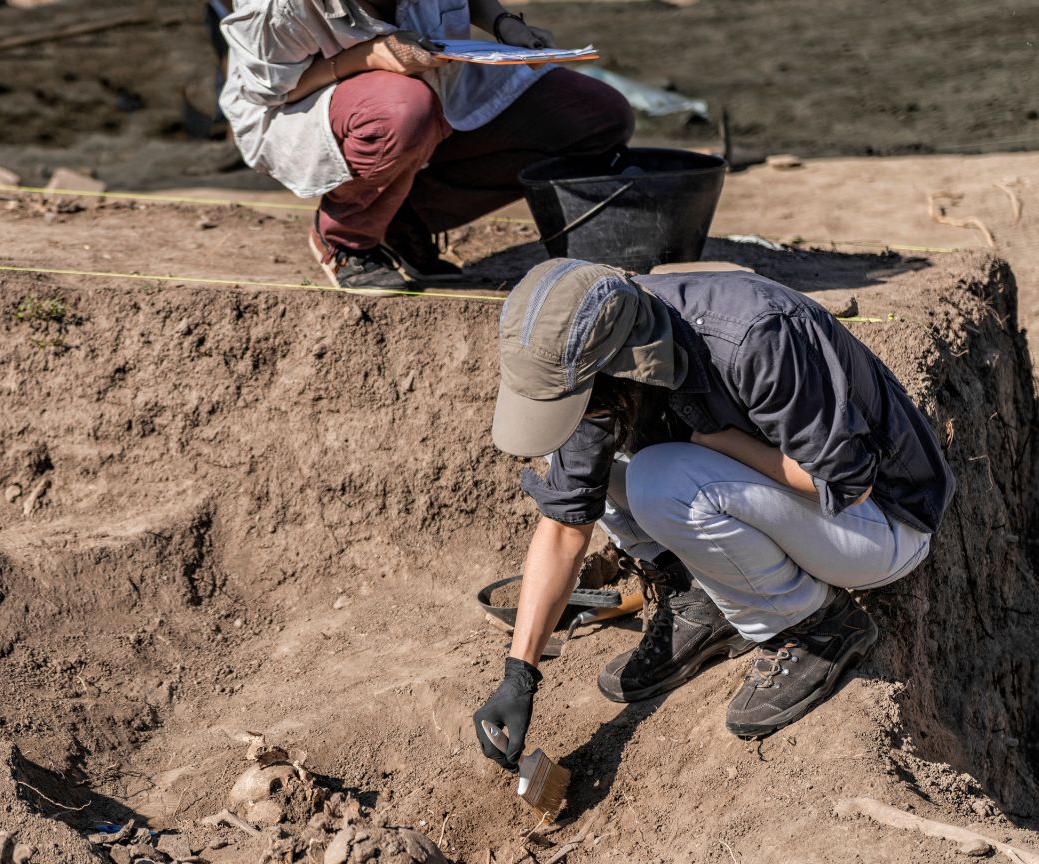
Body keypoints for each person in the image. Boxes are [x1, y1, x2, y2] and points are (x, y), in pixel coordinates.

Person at [473, 259, 955, 771]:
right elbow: (566, 524)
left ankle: (812, 628)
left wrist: (716, 442)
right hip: (782, 504)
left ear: (614, 362)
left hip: (881, 524)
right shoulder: (605, 355)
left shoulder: (754, 339)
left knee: (660, 481)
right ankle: (701, 603)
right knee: (581, 458)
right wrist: (519, 674)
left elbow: (847, 485)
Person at [217, 1, 634, 292]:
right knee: (403, 110)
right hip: (303, 105)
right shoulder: (277, 7)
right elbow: (274, 92)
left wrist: (505, 24)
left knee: (595, 117)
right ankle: (346, 237)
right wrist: (366, 57)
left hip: (433, 80)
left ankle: (400, 217)